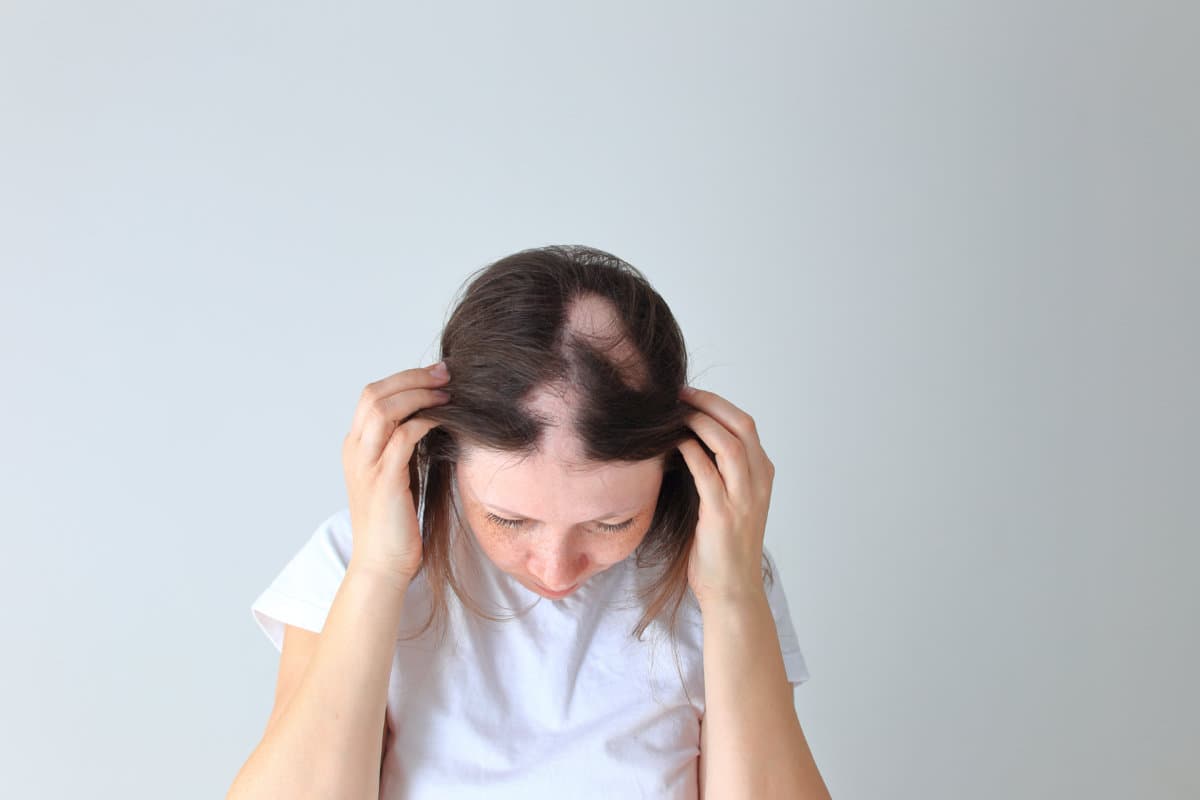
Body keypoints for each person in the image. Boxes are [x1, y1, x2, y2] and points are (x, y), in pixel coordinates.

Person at [226, 245, 831, 799]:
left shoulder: (718, 571)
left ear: (675, 468)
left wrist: (732, 595)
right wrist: (379, 572)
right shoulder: (353, 557)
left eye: (612, 523)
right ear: (447, 452)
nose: (556, 568)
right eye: (510, 521)